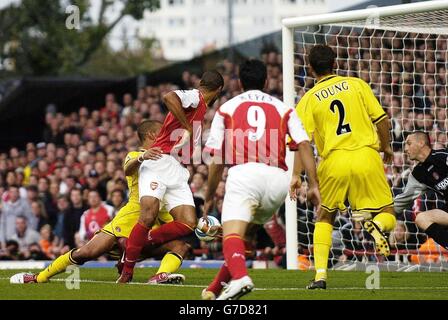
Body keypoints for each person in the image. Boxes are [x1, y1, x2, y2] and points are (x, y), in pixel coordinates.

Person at [10, 120, 188, 285]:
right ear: (151, 135)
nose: (166, 134)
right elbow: (128, 168)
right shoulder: (135, 156)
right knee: (86, 253)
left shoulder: (167, 158)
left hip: (157, 217)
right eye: (162, 132)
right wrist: (143, 157)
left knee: (180, 246)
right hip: (131, 216)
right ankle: (39, 277)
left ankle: (159, 276)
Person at [201, 59, 320, 300]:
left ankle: (241, 278)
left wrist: (209, 195)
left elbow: (216, 159)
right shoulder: (284, 108)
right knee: (245, 236)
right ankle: (214, 289)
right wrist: (314, 184)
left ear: (239, 83)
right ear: (266, 82)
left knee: (231, 234)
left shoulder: (227, 108)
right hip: (278, 180)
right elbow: (304, 144)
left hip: (245, 174)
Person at [296, 45, 396, 289]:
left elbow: (301, 141)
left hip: (333, 161)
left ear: (310, 68)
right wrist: (387, 147)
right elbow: (381, 119)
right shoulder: (356, 84)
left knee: (325, 216)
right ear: (335, 64)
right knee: (388, 210)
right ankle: (378, 226)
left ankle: (320, 275)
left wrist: (298, 176)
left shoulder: (308, 99)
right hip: (366, 155)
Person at [118, 71, 224, 283]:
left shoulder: (201, 108)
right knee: (148, 216)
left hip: (176, 167)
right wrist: (186, 125)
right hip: (157, 161)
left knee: (188, 223)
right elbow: (168, 97)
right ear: (218, 90)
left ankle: (136, 246)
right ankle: (127, 272)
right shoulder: (196, 97)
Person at [394, 131, 448, 250]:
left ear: (421, 143)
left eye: (409, 143)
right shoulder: (418, 174)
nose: (405, 148)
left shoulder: (443, 156)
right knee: (421, 218)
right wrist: (376, 212)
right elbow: (401, 201)